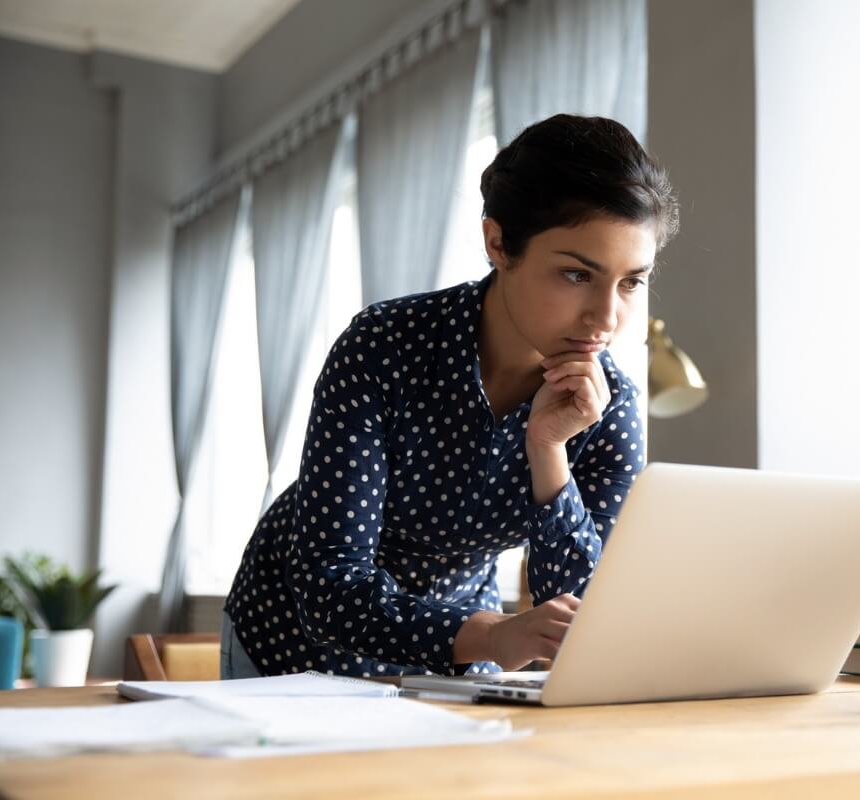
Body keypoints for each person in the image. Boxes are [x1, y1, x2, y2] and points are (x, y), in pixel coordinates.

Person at [221, 114, 679, 680]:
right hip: (294, 640)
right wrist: (489, 634)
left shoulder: (608, 407)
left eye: (631, 281)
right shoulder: (383, 347)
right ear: (498, 244)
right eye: (575, 275)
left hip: (466, 646)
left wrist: (548, 450)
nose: (607, 318)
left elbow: (581, 612)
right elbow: (329, 585)